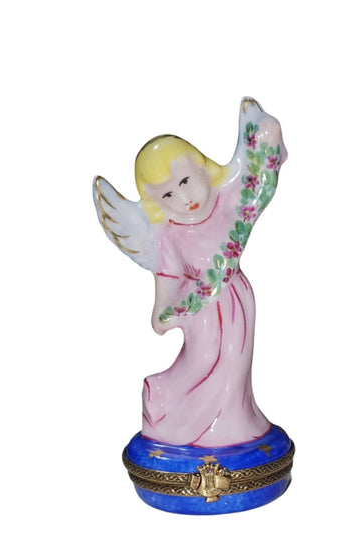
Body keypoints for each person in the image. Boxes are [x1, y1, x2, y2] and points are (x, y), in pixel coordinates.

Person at [93, 98, 287, 446]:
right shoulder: (169, 236)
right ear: (156, 204)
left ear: (202, 168)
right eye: (168, 194)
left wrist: (265, 134)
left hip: (237, 301)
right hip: (203, 312)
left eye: (185, 181)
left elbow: (259, 181)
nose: (184, 198)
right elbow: (167, 276)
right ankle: (166, 405)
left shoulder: (228, 204)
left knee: (236, 361)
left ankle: (235, 421)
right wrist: (161, 311)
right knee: (204, 361)